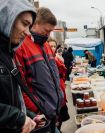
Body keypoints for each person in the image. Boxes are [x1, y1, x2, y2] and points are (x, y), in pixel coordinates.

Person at [0, 0, 48, 132]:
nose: (28, 32)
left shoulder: (8, 54)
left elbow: (12, 100)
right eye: (24, 24)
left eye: (29, 26)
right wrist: (18, 118)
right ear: (7, 16)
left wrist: (29, 116)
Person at [15, 7, 64, 133]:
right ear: (35, 23)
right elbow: (20, 87)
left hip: (53, 112)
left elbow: (53, 76)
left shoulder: (46, 45)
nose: (48, 35)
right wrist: (37, 111)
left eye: (50, 32)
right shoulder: (21, 46)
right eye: (46, 30)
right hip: (39, 116)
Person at [48, 38, 70, 132]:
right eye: (50, 46)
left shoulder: (57, 59)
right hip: (53, 98)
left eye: (54, 46)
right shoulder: (48, 60)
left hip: (60, 94)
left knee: (60, 119)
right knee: (55, 121)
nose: (52, 48)